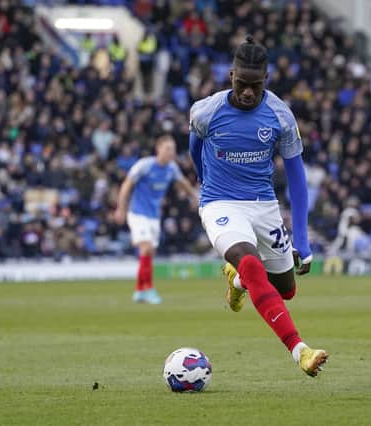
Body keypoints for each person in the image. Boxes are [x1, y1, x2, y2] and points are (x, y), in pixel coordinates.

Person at [188, 36, 328, 377]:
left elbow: (296, 177)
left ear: (265, 79)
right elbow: (194, 150)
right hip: (221, 203)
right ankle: (300, 350)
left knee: (286, 290)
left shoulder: (280, 116)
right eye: (241, 84)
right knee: (250, 262)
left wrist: (303, 240)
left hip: (263, 205)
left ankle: (236, 285)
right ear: (231, 75)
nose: (247, 92)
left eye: (255, 85)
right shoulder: (207, 111)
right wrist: (207, 186)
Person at [114, 134, 198, 304]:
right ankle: (149, 289)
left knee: (149, 253)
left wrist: (195, 197)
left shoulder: (171, 168)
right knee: (146, 249)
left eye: (173, 149)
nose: (171, 152)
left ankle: (139, 290)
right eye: (167, 149)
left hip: (154, 216)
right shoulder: (144, 166)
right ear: (158, 149)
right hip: (138, 213)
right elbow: (126, 186)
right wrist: (121, 209)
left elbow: (183, 183)